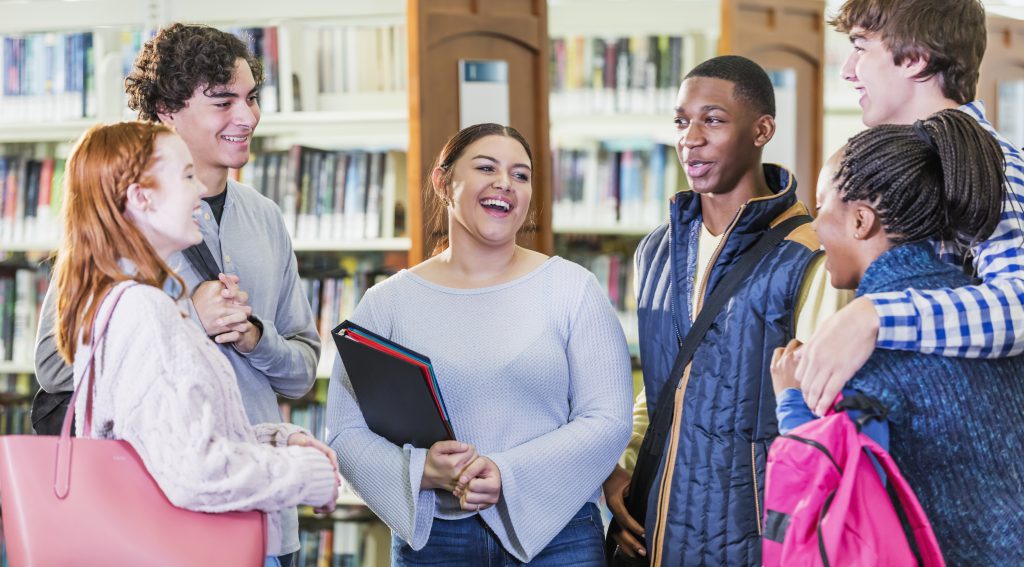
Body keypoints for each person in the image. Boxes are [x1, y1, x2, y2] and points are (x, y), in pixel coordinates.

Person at [33, 24, 321, 565]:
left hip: (266, 523)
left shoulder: (265, 218)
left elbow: (302, 372)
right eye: (223, 101)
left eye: (252, 98)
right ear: (167, 109)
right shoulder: (119, 221)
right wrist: (189, 319)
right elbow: (55, 365)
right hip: (156, 526)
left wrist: (255, 338)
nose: (249, 117)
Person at [325, 123, 633, 566]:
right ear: (443, 182)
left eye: (521, 175)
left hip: (559, 537)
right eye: (486, 167)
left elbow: (608, 419)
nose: (505, 183)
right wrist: (422, 471)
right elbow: (344, 431)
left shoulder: (572, 289)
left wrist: (508, 474)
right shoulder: (386, 304)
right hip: (435, 543)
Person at [602, 55, 849, 566]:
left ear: (762, 130)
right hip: (657, 529)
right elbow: (662, 386)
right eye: (681, 121)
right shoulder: (655, 252)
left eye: (712, 120)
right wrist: (622, 473)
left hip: (756, 536)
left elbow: (826, 423)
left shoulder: (811, 257)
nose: (690, 138)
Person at [771, 109, 1024, 564]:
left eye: (822, 204)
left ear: (861, 221)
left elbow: (830, 516)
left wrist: (791, 401)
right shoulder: (982, 319)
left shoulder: (859, 353)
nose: (814, 227)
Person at [796, 0, 1024, 416]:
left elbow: (1020, 305)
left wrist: (872, 316)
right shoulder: (908, 159)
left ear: (916, 60)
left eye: (861, 47)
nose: (847, 69)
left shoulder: (996, 167)